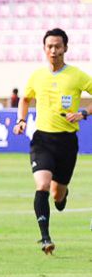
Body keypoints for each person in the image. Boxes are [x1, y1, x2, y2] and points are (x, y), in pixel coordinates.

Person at [13, 28, 92, 255]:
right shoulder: (37, 75)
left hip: (67, 142)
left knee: (57, 195)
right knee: (43, 186)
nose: (54, 50)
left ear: (65, 48)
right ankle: (45, 237)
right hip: (42, 140)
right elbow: (25, 99)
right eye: (50, 46)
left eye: (58, 46)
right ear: (44, 49)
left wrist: (84, 113)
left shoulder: (77, 75)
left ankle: (63, 196)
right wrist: (21, 120)